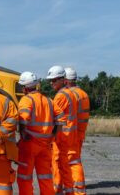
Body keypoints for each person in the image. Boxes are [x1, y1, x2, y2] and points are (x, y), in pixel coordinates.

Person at [17, 71, 66, 195]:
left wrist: (22, 132)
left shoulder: (26, 100)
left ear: (24, 88)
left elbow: (23, 118)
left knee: (25, 177)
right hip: (45, 146)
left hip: (29, 144)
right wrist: (53, 135)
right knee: (45, 177)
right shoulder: (48, 100)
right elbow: (61, 118)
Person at [47, 65, 78, 195]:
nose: (51, 83)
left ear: (62, 80)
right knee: (65, 167)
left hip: (61, 136)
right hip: (68, 135)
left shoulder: (60, 96)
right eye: (51, 80)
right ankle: (68, 191)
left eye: (54, 80)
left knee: (57, 164)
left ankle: (57, 190)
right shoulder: (70, 93)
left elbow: (53, 118)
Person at [64, 67, 89, 195]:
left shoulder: (71, 95)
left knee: (72, 161)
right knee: (75, 159)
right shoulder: (84, 94)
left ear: (66, 81)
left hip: (71, 133)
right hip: (80, 132)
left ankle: (77, 188)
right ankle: (75, 186)